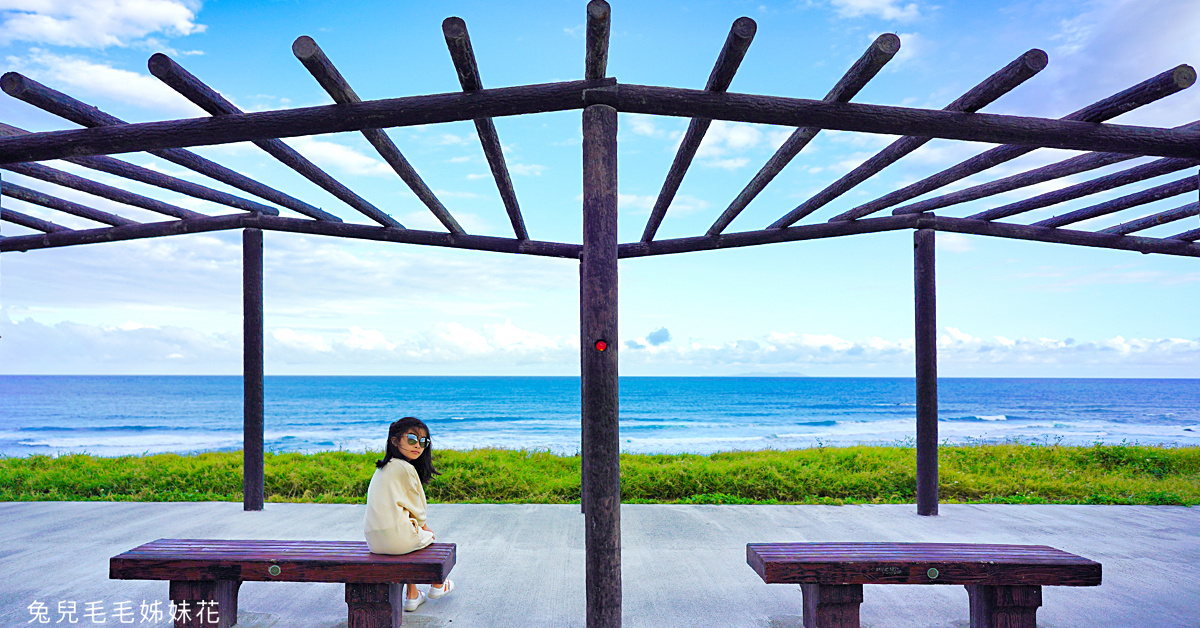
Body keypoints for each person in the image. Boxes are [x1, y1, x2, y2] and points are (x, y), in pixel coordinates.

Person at [364, 417, 455, 611]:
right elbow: (418, 508)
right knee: (428, 537)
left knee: (411, 537)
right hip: (397, 540)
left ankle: (412, 595)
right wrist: (424, 527)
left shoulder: (382, 468)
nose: (418, 446)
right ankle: (438, 584)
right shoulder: (405, 468)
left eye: (423, 442)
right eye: (412, 439)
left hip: (374, 541)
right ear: (395, 441)